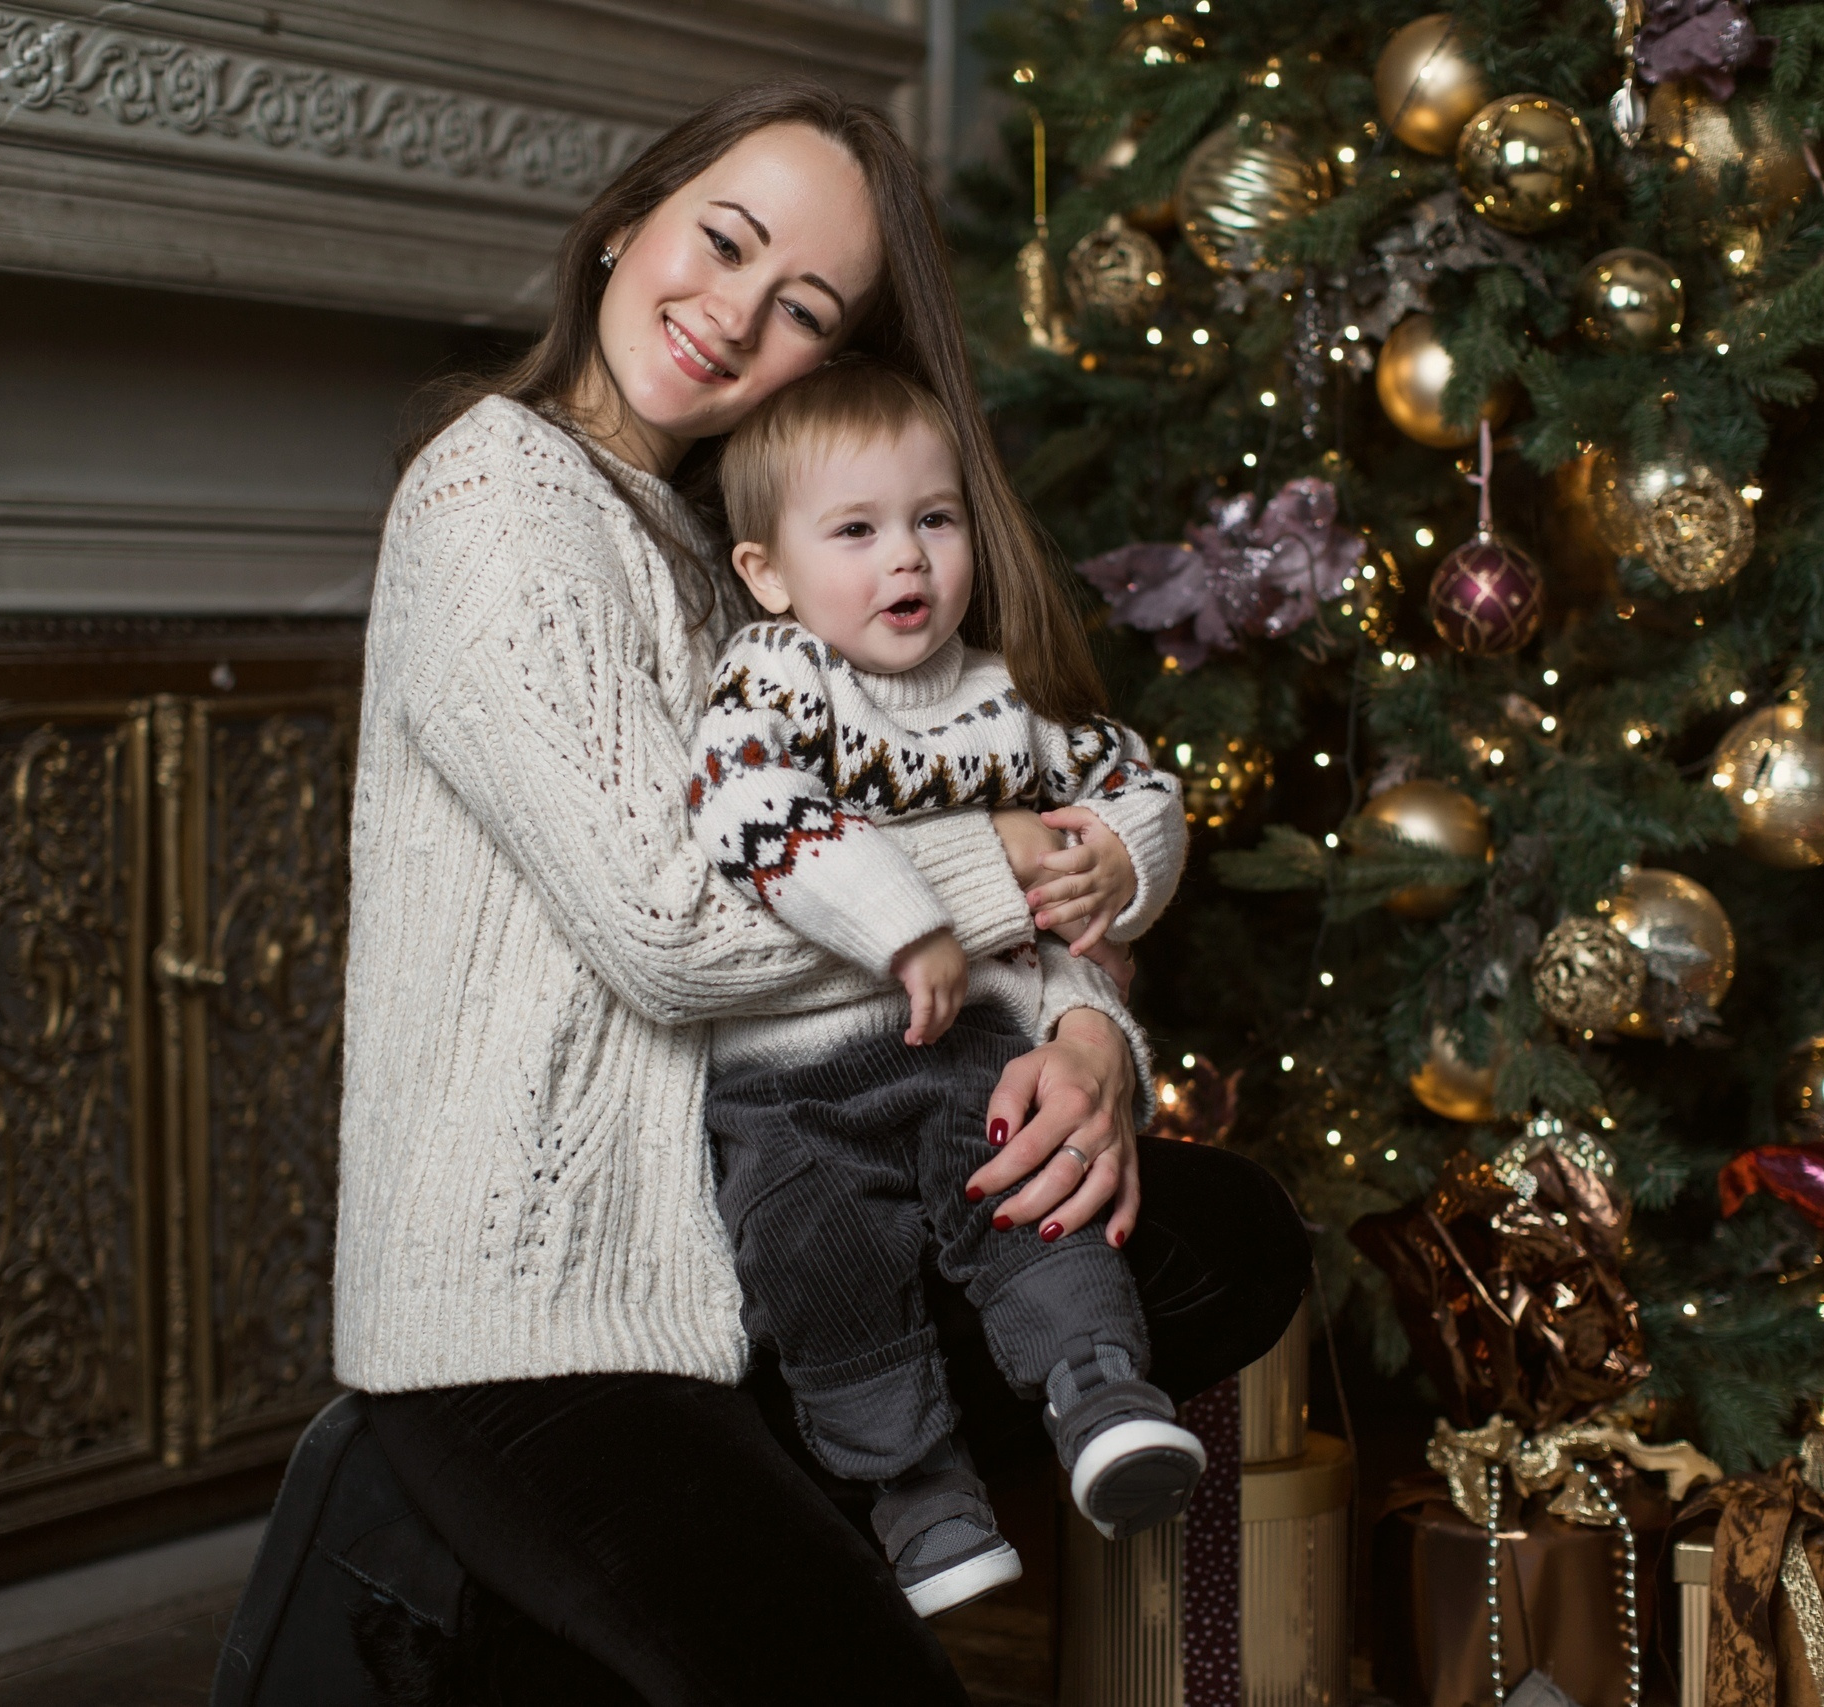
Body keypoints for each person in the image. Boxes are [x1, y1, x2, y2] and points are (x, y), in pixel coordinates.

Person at [290, 77, 1308, 1706]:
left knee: (1231, 1237)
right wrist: (1018, 877)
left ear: (824, 365)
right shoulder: (496, 506)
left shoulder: (744, 548)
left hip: (747, 1226)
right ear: (631, 217)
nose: (729, 316)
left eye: (801, 307)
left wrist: (1090, 1041)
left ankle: (684, 1544)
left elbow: (994, 779)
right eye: (723, 243)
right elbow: (675, 922)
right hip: (534, 1314)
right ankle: (442, 1549)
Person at [688, 360, 1200, 1618]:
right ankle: (917, 1497)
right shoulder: (776, 677)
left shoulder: (1006, 695)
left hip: (968, 1041)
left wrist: (1124, 862)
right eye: (854, 532)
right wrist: (907, 921)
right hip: (787, 1085)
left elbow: (1137, 780)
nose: (904, 561)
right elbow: (744, 805)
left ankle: (1100, 1396)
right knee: (815, 1261)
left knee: (1029, 1189)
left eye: (933, 519)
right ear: (769, 572)